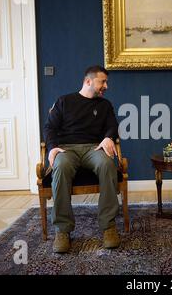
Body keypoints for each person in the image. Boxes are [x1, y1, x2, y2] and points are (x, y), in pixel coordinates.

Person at [44, 65, 121, 253]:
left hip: (93, 148)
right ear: (88, 81)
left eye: (106, 82)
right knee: (60, 167)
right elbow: (50, 128)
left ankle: (108, 227)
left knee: (107, 164)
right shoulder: (64, 101)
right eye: (103, 82)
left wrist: (108, 137)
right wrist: (53, 148)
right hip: (67, 149)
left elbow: (112, 126)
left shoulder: (105, 105)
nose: (106, 86)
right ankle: (62, 230)